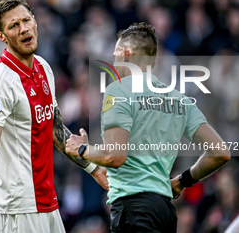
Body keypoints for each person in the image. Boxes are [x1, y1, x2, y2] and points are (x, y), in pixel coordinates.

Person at [0, 0, 108, 233]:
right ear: (2, 36)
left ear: (35, 21)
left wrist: (93, 169)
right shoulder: (0, 80)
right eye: (13, 26)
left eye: (26, 20)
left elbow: (55, 130)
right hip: (15, 209)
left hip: (47, 203)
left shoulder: (43, 67)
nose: (23, 29)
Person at [65, 22, 231, 233]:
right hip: (165, 212)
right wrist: (182, 181)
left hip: (135, 212)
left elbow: (115, 157)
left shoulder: (119, 90)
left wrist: (82, 149)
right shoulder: (178, 99)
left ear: (125, 54)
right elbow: (220, 152)